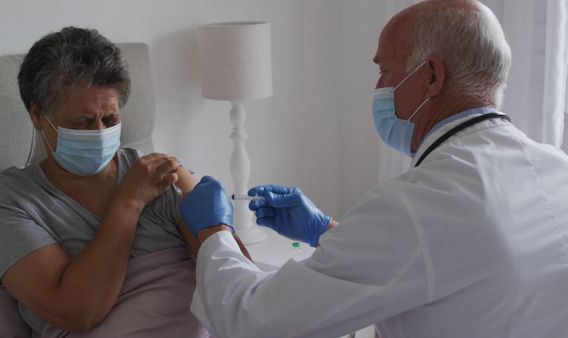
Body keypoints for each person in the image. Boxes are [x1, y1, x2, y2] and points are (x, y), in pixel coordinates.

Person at [179, 1, 568, 337]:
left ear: (432, 76)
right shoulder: (556, 167)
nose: (378, 87)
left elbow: (254, 322)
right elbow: (450, 263)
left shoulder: (421, 202)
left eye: (384, 71)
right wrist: (328, 231)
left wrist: (214, 231)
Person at [0, 26, 248, 336]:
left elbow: (239, 286)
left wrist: (219, 227)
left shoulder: (158, 173)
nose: (98, 132)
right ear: (38, 115)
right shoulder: (10, 198)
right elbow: (77, 312)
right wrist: (128, 202)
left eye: (110, 120)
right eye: (81, 122)